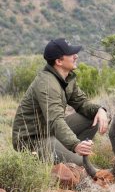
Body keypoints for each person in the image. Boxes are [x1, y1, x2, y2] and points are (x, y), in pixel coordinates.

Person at [12, 38, 109, 166]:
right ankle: (73, 153)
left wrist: (100, 110)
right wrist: (74, 144)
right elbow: (55, 120)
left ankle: (76, 150)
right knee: (83, 164)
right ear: (58, 61)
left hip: (50, 131)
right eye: (71, 54)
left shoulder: (67, 78)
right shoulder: (47, 84)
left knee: (93, 117)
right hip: (33, 141)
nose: (76, 56)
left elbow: (82, 103)